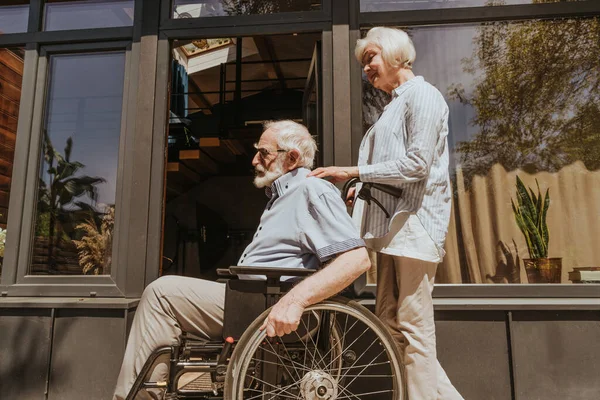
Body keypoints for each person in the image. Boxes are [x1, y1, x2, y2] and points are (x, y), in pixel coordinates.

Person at [113, 120, 370, 400]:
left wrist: (295, 301)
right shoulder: (283, 197)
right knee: (164, 294)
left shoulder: (311, 191)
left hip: (267, 303)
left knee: (160, 294)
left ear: (292, 157)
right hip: (251, 299)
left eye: (264, 153)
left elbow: (356, 260)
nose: (254, 159)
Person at [308, 27, 463, 400]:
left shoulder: (423, 95)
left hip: (414, 225)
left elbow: (416, 165)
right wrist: (359, 191)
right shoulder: (394, 104)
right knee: (391, 323)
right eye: (364, 62)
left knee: (413, 327)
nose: (366, 68)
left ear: (395, 54)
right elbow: (393, 170)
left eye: (371, 58)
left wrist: (354, 172)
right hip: (394, 229)